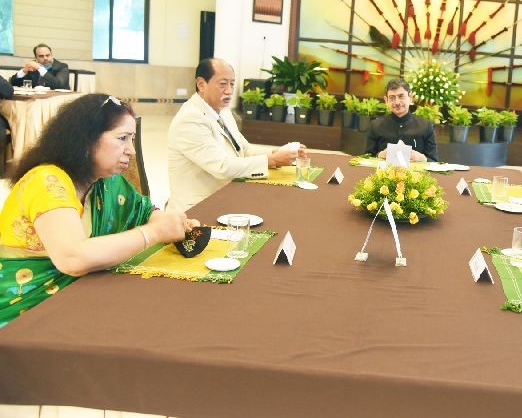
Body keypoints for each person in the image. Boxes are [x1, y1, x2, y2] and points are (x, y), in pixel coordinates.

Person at [0, 94, 193, 327]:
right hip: (26, 311)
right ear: (86, 139)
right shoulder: (46, 181)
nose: (131, 150)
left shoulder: (106, 181)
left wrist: (169, 223)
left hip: (77, 296)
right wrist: (152, 234)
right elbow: (73, 258)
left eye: (132, 139)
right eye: (122, 138)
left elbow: (142, 211)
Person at [167, 58, 306, 213]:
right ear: (201, 84)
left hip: (227, 194)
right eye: (222, 84)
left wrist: (279, 153)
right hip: (197, 209)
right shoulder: (190, 118)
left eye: (232, 84)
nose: (229, 90)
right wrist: (272, 160)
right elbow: (222, 167)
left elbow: (244, 149)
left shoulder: (223, 111)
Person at [365, 78, 438, 163]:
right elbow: (366, 158)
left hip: (416, 175)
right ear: (386, 100)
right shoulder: (375, 125)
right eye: (392, 98)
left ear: (410, 97)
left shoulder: (426, 126)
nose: (397, 102)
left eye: (401, 96)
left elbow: (434, 162)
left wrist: (423, 158)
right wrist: (379, 155)